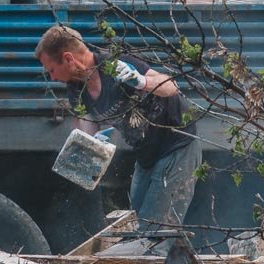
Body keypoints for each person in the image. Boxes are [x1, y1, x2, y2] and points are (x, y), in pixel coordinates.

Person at [35, 24, 201, 246]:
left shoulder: (114, 64)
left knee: (155, 234)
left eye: (51, 70)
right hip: (146, 155)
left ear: (68, 58)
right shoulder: (76, 89)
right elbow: (88, 128)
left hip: (177, 144)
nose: (52, 78)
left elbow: (171, 87)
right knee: (137, 226)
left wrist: (142, 82)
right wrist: (86, 149)